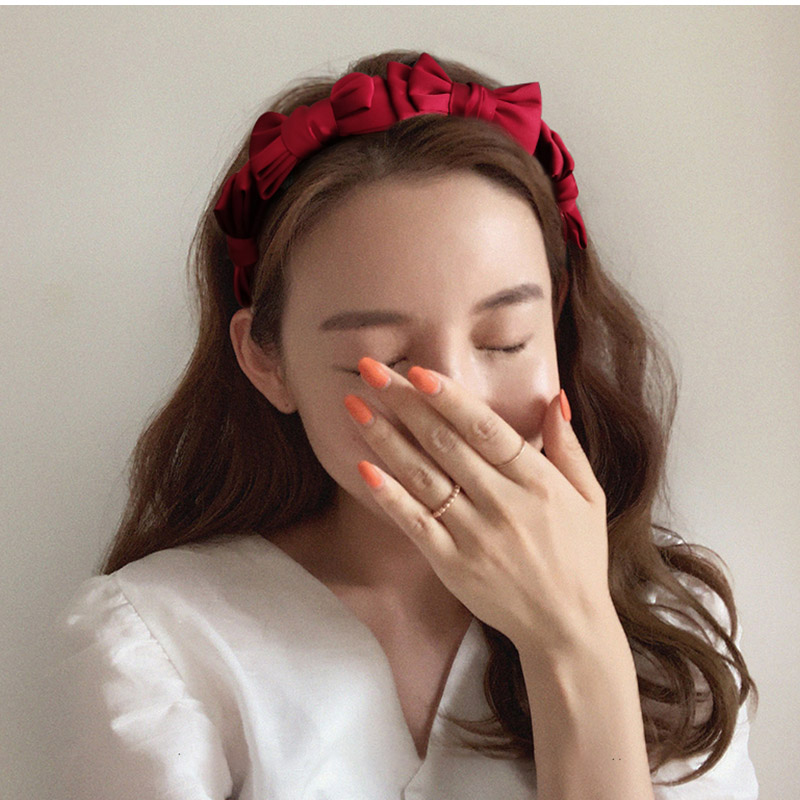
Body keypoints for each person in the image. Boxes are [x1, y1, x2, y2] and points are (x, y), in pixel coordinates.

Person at [58, 50, 758, 799]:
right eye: (383, 358)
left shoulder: (675, 628)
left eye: (505, 341)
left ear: (554, 321)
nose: (457, 399)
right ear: (267, 360)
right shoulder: (158, 644)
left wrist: (574, 640)